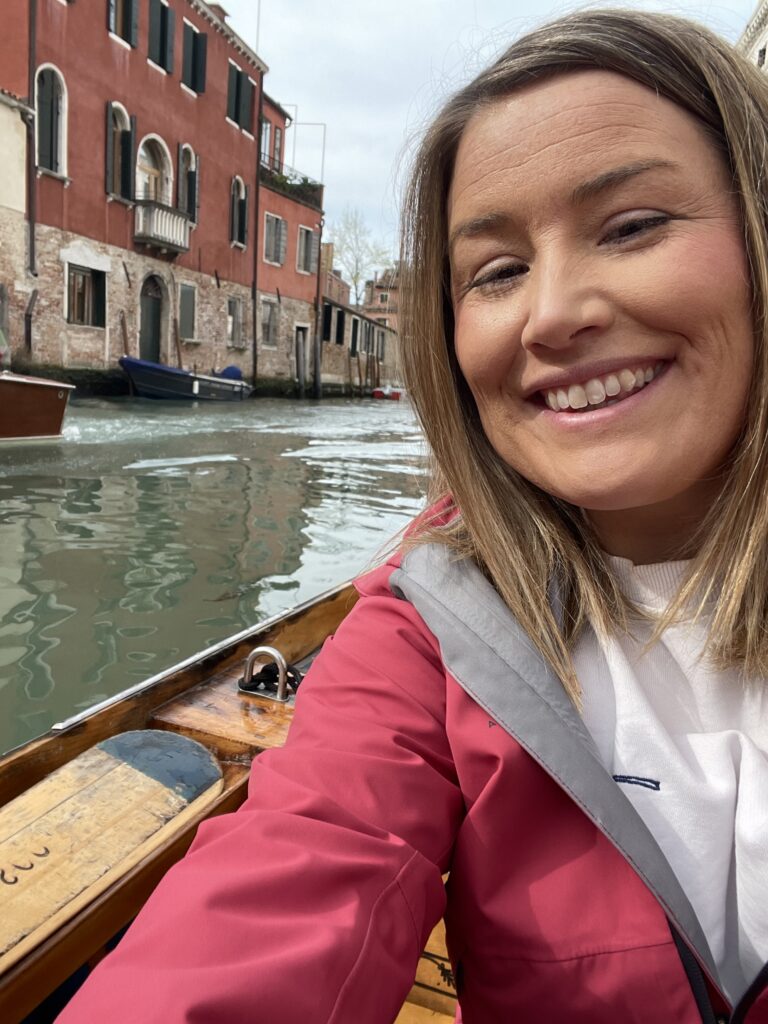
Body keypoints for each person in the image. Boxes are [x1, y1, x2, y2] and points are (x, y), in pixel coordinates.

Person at [58, 8, 768, 1021]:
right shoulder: (428, 625)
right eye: (498, 272)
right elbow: (287, 882)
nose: (554, 312)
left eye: (634, 226)